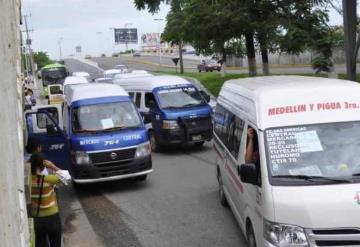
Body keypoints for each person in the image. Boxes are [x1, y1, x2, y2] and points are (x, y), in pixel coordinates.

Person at [30, 153, 62, 247]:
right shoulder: (49, 179)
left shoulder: (28, 180)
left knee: (40, 243)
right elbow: (66, 176)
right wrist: (52, 166)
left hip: (36, 218)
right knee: (55, 244)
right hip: (52, 217)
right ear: (43, 165)